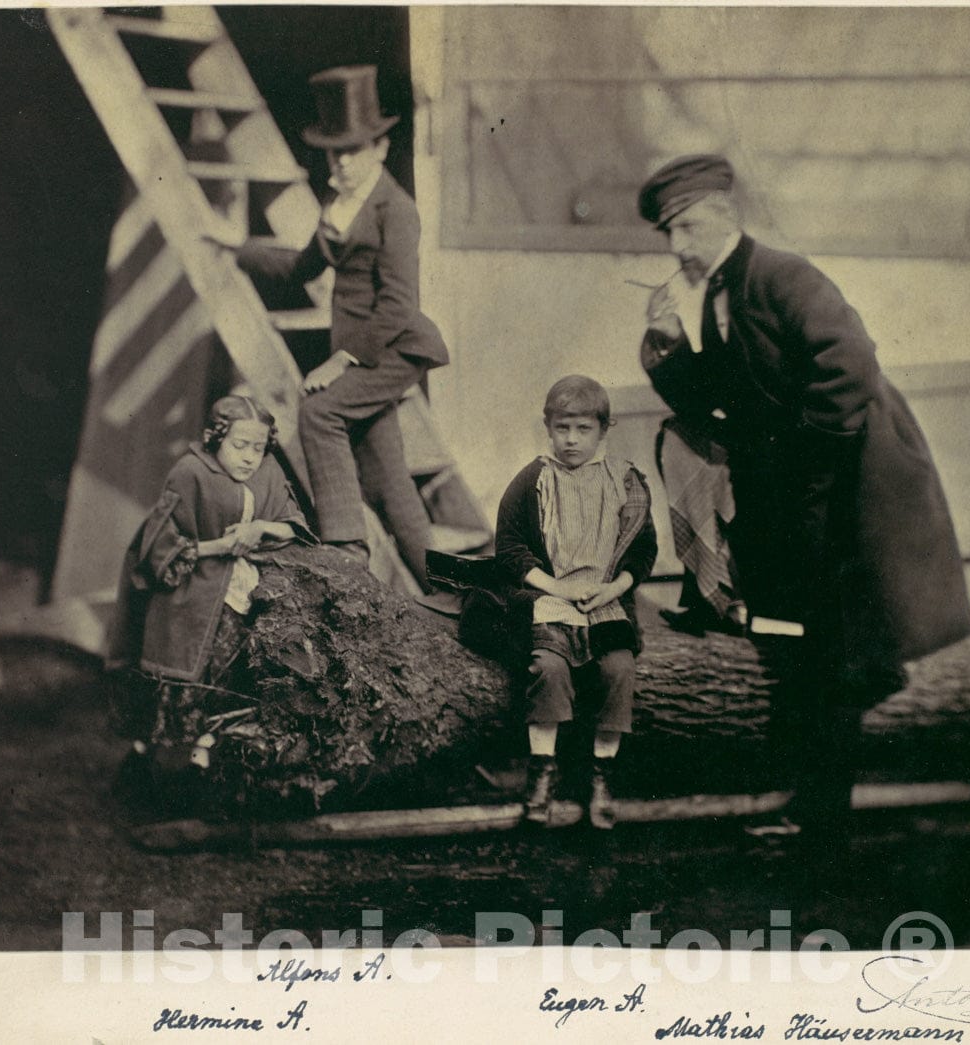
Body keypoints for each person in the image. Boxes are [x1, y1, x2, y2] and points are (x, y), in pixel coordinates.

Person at [636, 154, 970, 837]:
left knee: (832, 641)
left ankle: (823, 815)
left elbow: (850, 366)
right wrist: (665, 347)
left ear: (725, 218)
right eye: (668, 232)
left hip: (854, 475)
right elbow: (720, 402)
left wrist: (808, 481)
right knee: (794, 632)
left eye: (688, 227)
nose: (677, 247)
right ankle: (815, 792)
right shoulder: (721, 292)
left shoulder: (784, 274)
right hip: (798, 483)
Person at [225, 65, 448, 591]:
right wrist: (236, 248)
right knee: (390, 480)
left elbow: (398, 306)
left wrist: (340, 360)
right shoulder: (339, 205)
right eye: (333, 151)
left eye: (354, 149)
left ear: (380, 147)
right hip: (368, 350)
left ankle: (346, 548)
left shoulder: (397, 211)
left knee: (320, 410)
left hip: (394, 348)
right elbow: (301, 268)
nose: (343, 161)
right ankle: (453, 592)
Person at [107, 394, 314, 813]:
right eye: (240, 445)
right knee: (183, 690)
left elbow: (294, 524)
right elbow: (157, 545)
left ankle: (199, 782)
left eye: (258, 447)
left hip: (244, 596)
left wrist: (260, 529)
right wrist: (221, 544)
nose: (250, 457)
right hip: (192, 598)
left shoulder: (269, 471)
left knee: (226, 688)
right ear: (217, 438)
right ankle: (147, 774)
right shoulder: (190, 473)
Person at [495, 376, 658, 830]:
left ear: (604, 430)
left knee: (618, 670)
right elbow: (508, 548)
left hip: (606, 601)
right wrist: (554, 586)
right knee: (548, 668)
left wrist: (615, 588)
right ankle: (542, 774)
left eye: (583, 429)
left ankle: (601, 777)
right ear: (548, 427)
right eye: (562, 427)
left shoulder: (626, 481)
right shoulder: (533, 480)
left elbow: (644, 551)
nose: (571, 439)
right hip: (551, 599)